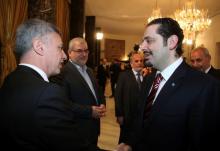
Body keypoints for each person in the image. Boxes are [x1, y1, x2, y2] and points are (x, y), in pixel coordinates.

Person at [116, 18, 220, 151]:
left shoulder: (206, 86)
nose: (142, 47)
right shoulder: (148, 79)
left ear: (171, 42)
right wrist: (130, 144)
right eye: (143, 41)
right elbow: (140, 120)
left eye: (149, 40)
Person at [0, 19, 93, 150]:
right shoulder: (48, 93)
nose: (65, 56)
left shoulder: (10, 78)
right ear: (39, 47)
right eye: (60, 48)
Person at [50, 37, 106, 151]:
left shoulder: (89, 71)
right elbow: (63, 104)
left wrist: (102, 104)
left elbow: (97, 92)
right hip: (76, 130)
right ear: (69, 53)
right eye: (79, 51)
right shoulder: (61, 73)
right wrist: (90, 111)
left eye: (86, 51)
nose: (84, 54)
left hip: (93, 129)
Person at [115, 51, 144, 144]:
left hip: (141, 118)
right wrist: (119, 114)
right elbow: (118, 96)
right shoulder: (124, 76)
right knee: (125, 140)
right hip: (127, 116)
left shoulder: (147, 77)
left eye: (141, 61)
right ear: (131, 64)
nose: (139, 63)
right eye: (136, 61)